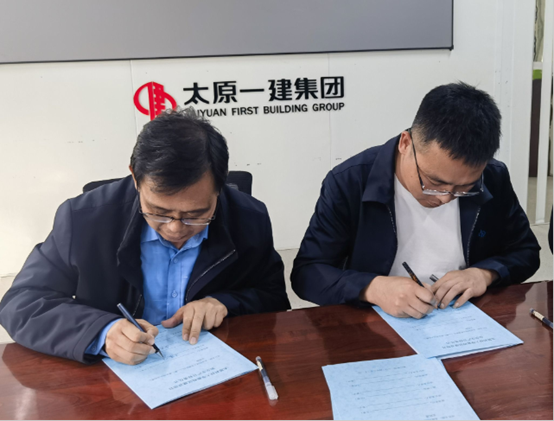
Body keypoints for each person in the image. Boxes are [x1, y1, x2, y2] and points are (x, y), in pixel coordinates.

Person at [0, 108, 290, 365]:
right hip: (114, 377)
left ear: (220, 186)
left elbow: (273, 296)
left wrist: (224, 303)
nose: (175, 228)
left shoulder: (249, 218)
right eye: (158, 212)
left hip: (210, 367)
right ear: (135, 178)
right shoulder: (83, 219)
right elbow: (22, 304)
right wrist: (102, 331)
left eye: (195, 215)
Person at [291, 82, 540, 319]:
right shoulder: (351, 181)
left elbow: (525, 251)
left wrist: (485, 274)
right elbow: (308, 273)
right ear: (405, 143)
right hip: (376, 323)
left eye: (464, 188)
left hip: (465, 319)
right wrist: (372, 288)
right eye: (434, 182)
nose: (445, 197)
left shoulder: (492, 177)